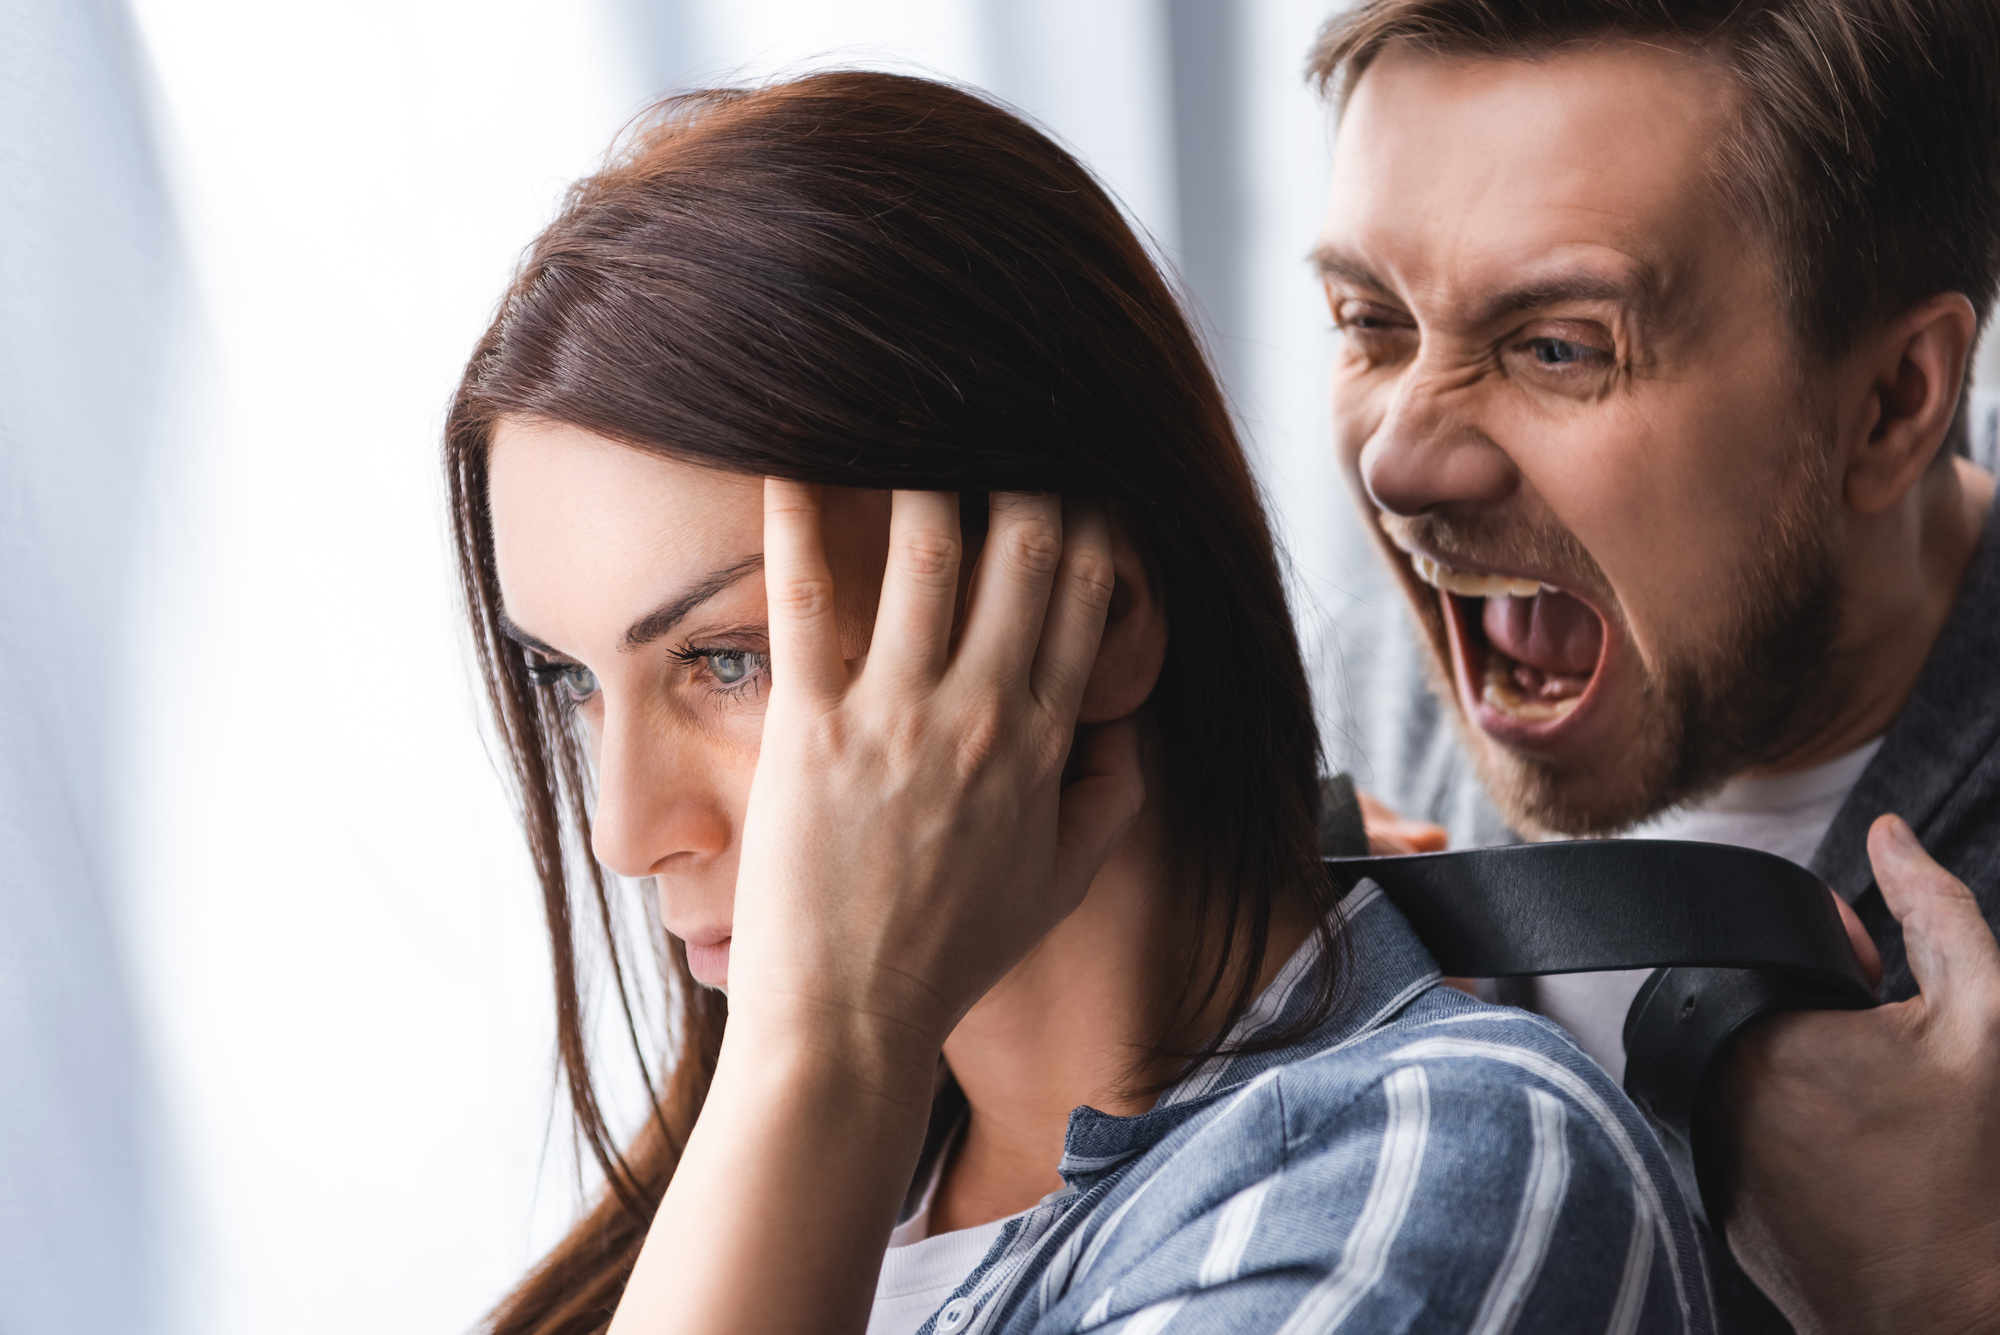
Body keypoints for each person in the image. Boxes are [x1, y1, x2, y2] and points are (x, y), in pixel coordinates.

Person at [445, 72, 1709, 1335]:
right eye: (570, 679)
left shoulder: (1429, 1179)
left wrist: (828, 1041)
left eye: (730, 658)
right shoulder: (745, 1212)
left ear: (1094, 617)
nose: (621, 828)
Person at [1305, 2, 2000, 1330]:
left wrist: (1942, 1292)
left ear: (1894, 402)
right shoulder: (1370, 698)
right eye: (1369, 321)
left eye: (1559, 344)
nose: (1397, 462)